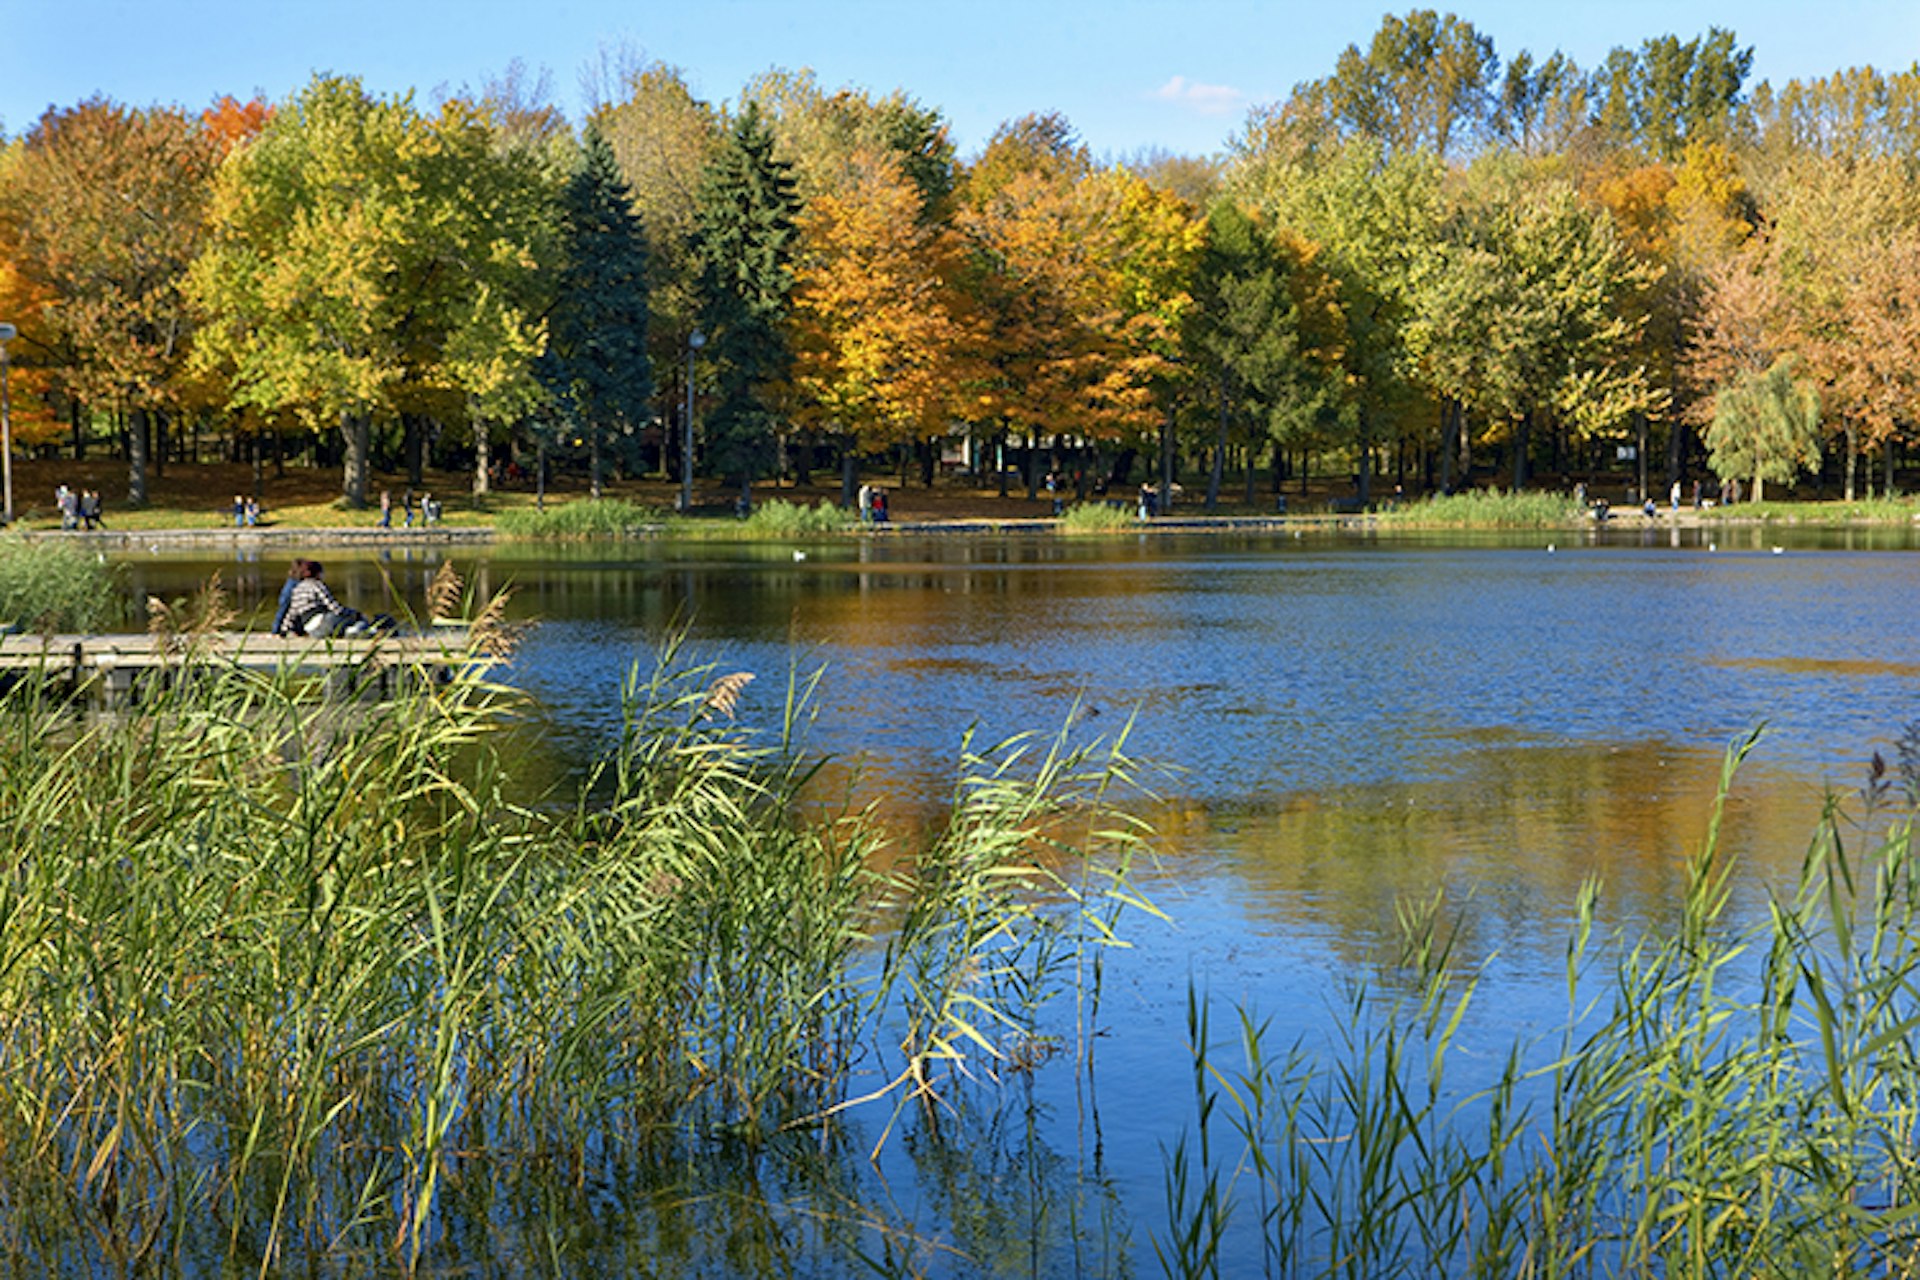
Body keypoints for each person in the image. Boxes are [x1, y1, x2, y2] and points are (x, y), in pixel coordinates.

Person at [274, 559, 368, 638]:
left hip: (311, 629)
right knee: (356, 620)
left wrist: (282, 632)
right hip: (323, 622)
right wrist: (355, 614)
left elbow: (291, 614)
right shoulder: (317, 585)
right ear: (317, 574)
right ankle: (357, 631)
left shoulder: (297, 589)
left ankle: (349, 631)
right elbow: (335, 608)